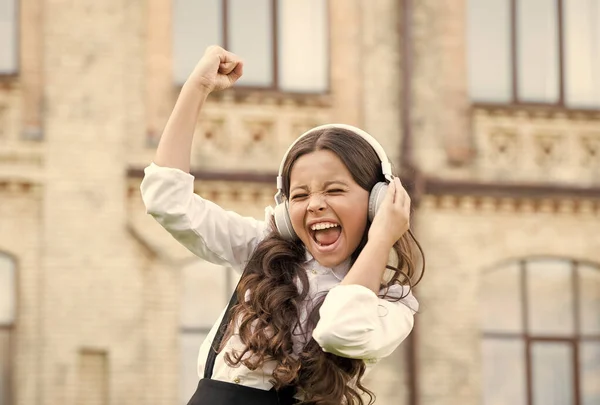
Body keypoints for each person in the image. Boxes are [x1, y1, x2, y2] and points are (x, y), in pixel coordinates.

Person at [140, 45, 424, 405]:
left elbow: (341, 329)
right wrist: (195, 89)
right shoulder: (263, 249)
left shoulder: (391, 303)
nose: (316, 203)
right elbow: (169, 203)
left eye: (335, 190)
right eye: (300, 195)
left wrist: (382, 236)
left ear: (376, 201)